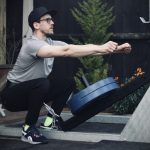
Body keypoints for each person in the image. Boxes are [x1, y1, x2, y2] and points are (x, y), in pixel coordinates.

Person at [1, 6, 131, 144]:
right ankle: (28, 129)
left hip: (32, 93)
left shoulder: (50, 43)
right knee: (42, 83)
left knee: (68, 82)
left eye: (52, 20)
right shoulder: (31, 45)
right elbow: (67, 51)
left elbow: (82, 49)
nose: (53, 22)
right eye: (48, 20)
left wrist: (117, 50)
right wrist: (102, 47)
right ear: (36, 25)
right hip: (12, 96)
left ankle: (49, 121)